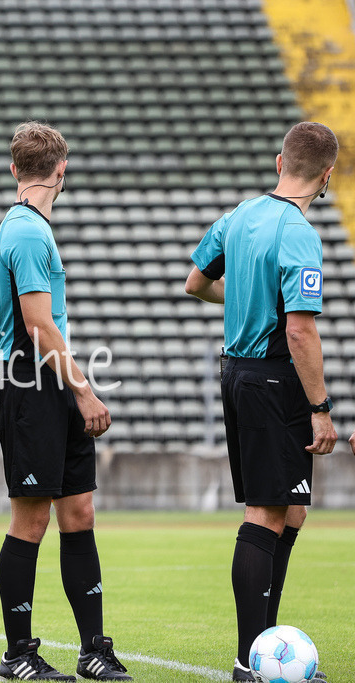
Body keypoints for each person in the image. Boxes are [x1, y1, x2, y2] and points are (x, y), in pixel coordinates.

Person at [185, 121, 339, 683]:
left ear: (280, 163)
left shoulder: (240, 215)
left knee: (290, 509)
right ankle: (250, 658)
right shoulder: (299, 232)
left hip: (239, 373)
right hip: (274, 379)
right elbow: (300, 330)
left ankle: (267, 646)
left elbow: (195, 283)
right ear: (326, 176)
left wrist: (244, 297)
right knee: (267, 512)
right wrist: (321, 408)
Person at [0, 121, 129, 681]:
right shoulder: (25, 231)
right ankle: (17, 654)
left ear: (15, 169)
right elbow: (39, 326)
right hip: (31, 386)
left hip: (50, 386)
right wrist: (85, 390)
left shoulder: (32, 228)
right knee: (31, 520)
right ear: (61, 171)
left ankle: (93, 648)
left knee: (78, 513)